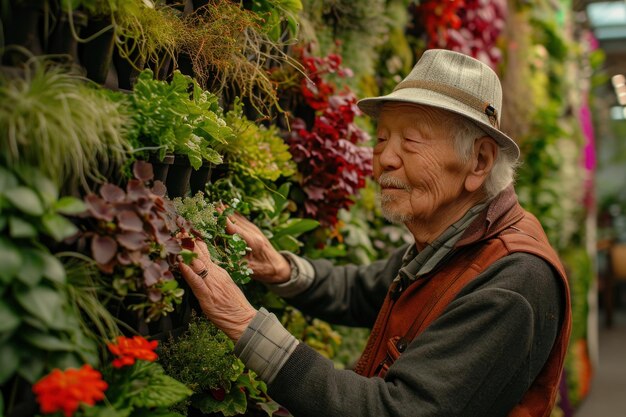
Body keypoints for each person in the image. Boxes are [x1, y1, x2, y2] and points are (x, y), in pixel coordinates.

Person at [178, 49, 572, 417]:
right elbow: (362, 290)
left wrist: (243, 322)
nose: (384, 158)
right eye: (381, 138)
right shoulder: (455, 241)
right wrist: (281, 268)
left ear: (479, 161)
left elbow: (397, 410)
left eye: (411, 141)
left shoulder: (513, 281)